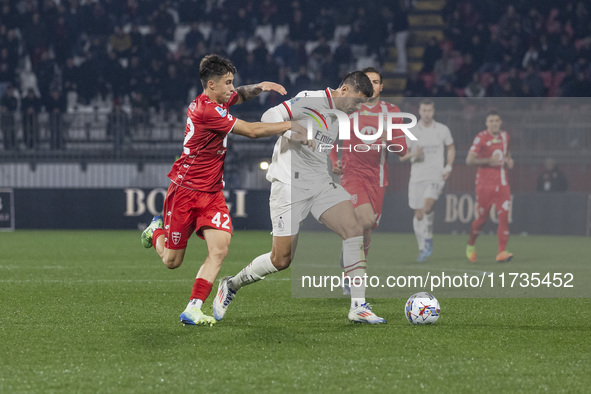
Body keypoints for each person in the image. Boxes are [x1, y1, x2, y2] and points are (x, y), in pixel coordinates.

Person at [140, 54, 304, 327]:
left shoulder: (217, 99)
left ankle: (193, 308)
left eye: (232, 82)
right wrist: (291, 125)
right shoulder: (206, 110)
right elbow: (252, 131)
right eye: (227, 83)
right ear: (211, 85)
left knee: (220, 249)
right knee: (171, 261)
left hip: (211, 193)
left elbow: (239, 94)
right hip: (185, 191)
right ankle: (155, 230)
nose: (231, 87)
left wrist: (260, 86)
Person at [213, 71, 388, 324]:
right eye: (358, 101)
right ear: (345, 91)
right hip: (289, 185)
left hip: (319, 184)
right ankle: (231, 285)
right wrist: (291, 133)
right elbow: (269, 116)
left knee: (354, 229)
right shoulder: (310, 99)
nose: (358, 108)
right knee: (281, 259)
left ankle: (358, 306)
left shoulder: (343, 116)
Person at [329, 67, 407, 280]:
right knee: (364, 220)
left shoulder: (391, 111)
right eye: (368, 81)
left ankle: (349, 273)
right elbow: (328, 137)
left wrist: (388, 137)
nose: (372, 85)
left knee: (368, 228)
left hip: (378, 179)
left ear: (381, 86)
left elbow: (403, 150)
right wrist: (335, 161)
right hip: (352, 175)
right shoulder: (350, 108)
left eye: (375, 82)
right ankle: (353, 274)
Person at [400, 99, 455, 262]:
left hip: (436, 175)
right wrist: (413, 154)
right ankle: (422, 247)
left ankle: (428, 236)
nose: (427, 113)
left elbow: (451, 147)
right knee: (418, 215)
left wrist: (448, 167)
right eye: (424, 110)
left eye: (429, 110)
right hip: (417, 177)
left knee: (427, 207)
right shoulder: (411, 131)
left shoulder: (443, 129)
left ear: (434, 111)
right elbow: (402, 156)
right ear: (419, 111)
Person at [465, 110, 514, 263]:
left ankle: (501, 252)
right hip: (484, 184)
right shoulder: (481, 138)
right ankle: (471, 244)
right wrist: (488, 160)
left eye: (497, 120)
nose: (494, 123)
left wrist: (509, 160)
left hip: (502, 181)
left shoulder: (505, 136)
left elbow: (507, 153)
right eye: (491, 121)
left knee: (504, 216)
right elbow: (469, 160)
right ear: (487, 123)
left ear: (500, 122)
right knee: (482, 219)